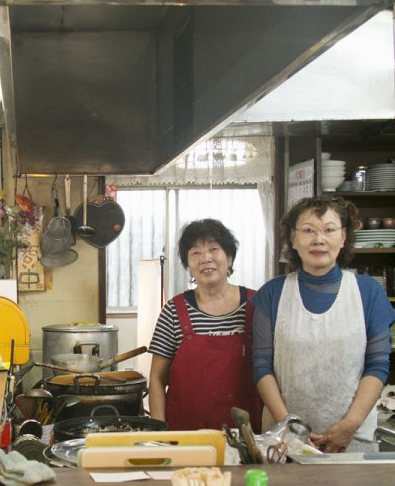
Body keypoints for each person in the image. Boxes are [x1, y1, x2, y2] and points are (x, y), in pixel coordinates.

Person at [252, 194, 395, 454]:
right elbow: (262, 367)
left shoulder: (369, 292)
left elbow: (377, 366)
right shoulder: (272, 294)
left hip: (354, 439)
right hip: (284, 440)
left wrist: (349, 425)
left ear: (343, 238)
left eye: (329, 230)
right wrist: (288, 426)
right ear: (293, 239)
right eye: (308, 230)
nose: (318, 239)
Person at [148, 218, 262, 430]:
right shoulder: (174, 310)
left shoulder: (257, 306)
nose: (205, 259)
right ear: (188, 264)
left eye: (213, 249)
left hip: (247, 438)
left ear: (229, 257)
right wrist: (159, 433)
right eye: (195, 253)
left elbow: (271, 373)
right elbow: (156, 379)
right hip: (186, 438)